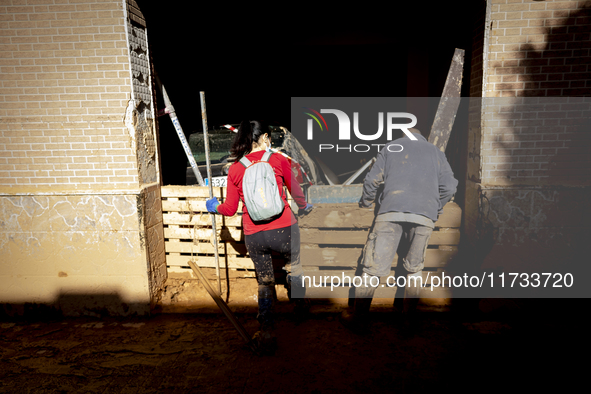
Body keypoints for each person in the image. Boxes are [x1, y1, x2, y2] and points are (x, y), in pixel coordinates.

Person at [205, 120, 312, 353]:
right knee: (294, 268)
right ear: (264, 137)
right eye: (269, 137)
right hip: (285, 229)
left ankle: (267, 331)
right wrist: (304, 207)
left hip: (255, 235)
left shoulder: (235, 169)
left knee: (264, 282)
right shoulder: (278, 159)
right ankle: (300, 309)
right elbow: (296, 191)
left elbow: (230, 208)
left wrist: (214, 206)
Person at [340, 128, 458, 334]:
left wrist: (367, 202)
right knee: (414, 269)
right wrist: (434, 207)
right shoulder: (436, 152)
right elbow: (449, 187)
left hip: (390, 213)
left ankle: (359, 319)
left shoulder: (391, 148)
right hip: (424, 217)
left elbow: (372, 180)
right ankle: (408, 321)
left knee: (372, 268)